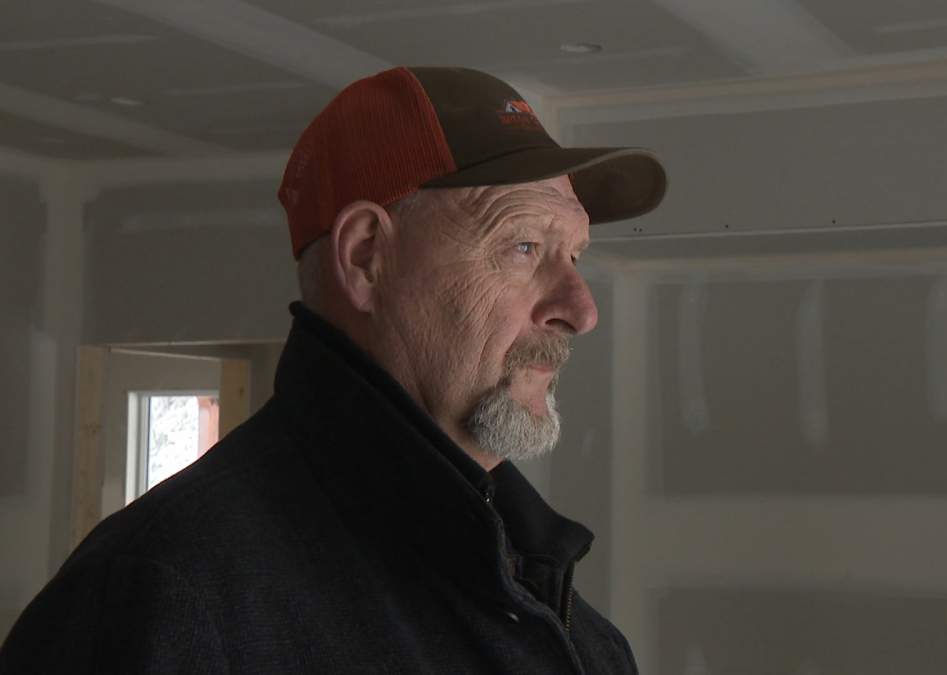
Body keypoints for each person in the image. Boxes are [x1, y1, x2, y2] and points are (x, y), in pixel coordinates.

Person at [0, 67, 666, 673]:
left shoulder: (577, 632)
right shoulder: (167, 599)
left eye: (573, 255)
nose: (580, 310)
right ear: (366, 255)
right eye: (523, 246)